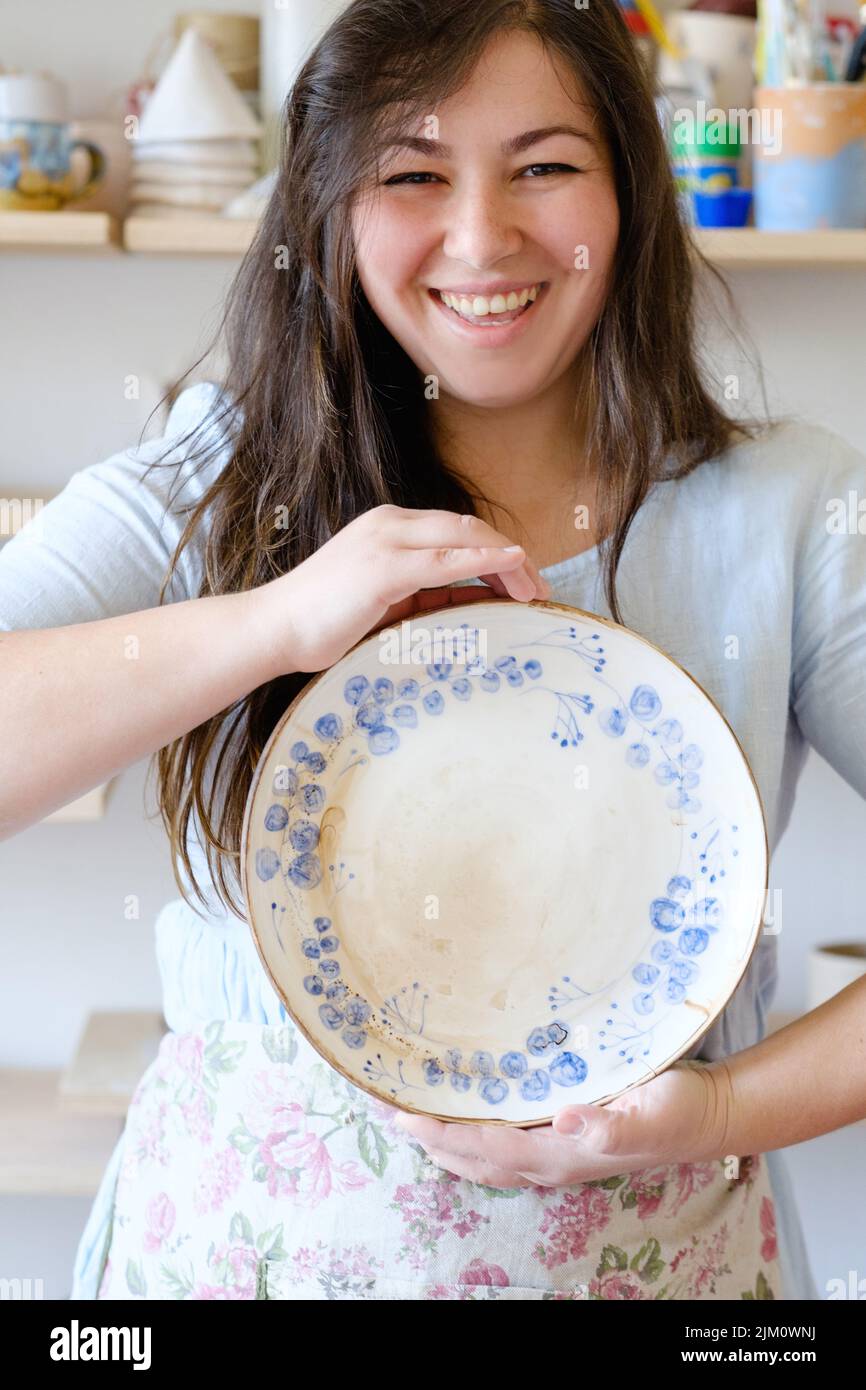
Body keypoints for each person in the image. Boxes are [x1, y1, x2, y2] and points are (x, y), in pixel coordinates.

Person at [1, 0, 864, 1301]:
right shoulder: (224, 466)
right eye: (412, 173)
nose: (481, 236)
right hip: (237, 1259)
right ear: (330, 209)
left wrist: (720, 1108)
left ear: (629, 191)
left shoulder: (789, 505)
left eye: (544, 166)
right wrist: (279, 618)